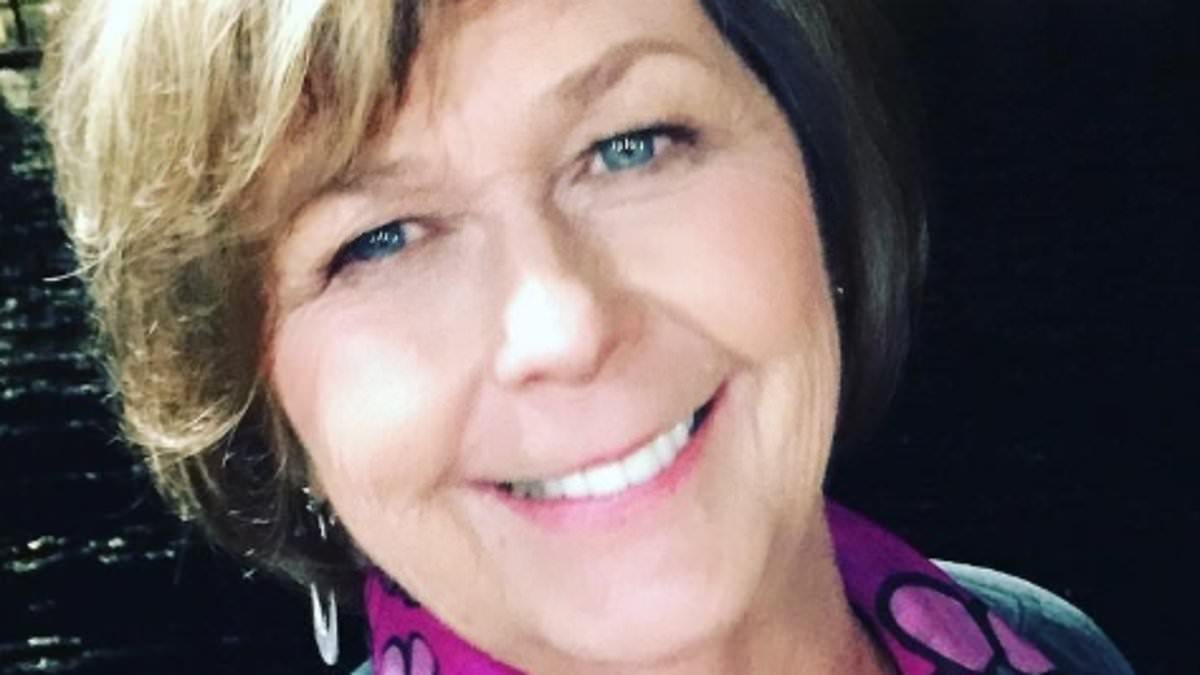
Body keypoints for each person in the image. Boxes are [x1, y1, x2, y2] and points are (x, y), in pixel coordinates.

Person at [42, 1, 1133, 672]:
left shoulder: (1050, 645)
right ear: (271, 414)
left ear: (820, 173)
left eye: (631, 145)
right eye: (378, 240)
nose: (562, 325)